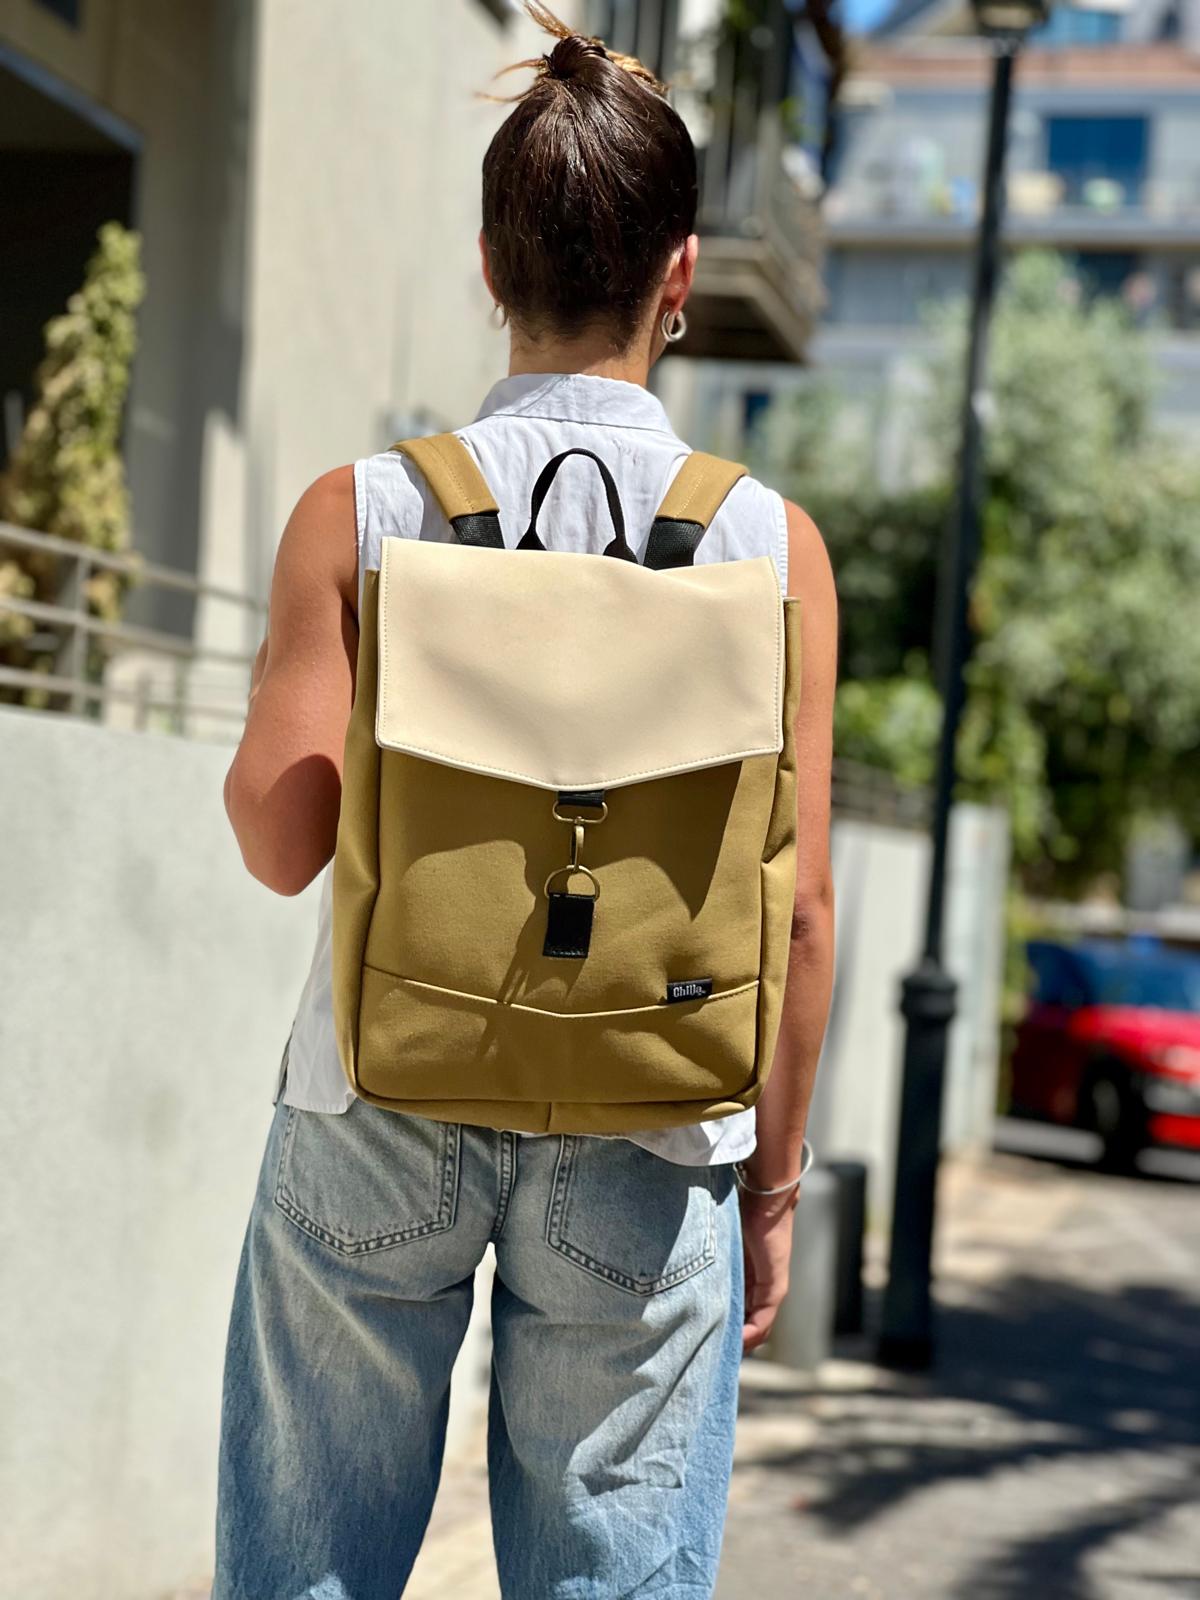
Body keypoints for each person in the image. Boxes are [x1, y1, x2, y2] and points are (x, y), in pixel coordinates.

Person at [213, 7, 836, 1597]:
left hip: (380, 1097)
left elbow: (282, 843)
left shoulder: (361, 512)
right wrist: (772, 1190)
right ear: (680, 276)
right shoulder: (771, 548)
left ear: (494, 263)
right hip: (654, 1108)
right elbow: (801, 912)